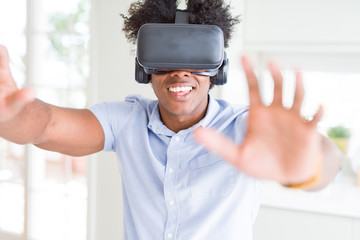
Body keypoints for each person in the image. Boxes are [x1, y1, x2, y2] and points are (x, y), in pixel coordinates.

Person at [0, 0, 343, 239]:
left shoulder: (248, 129)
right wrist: (11, 116)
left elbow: (329, 164)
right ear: (143, 68)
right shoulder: (127, 121)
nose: (180, 72)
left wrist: (306, 165)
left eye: (196, 58)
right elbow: (44, 125)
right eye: (166, 56)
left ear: (217, 69)